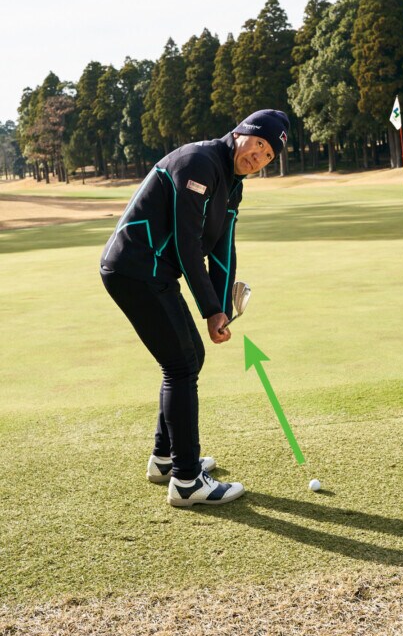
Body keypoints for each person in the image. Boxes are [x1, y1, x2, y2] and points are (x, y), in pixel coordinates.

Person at [100, 109, 289, 508]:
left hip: (154, 273)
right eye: (258, 144)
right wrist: (209, 310)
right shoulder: (199, 162)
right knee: (182, 365)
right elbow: (189, 243)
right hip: (135, 269)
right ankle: (187, 481)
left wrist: (222, 307)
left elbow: (223, 246)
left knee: (189, 358)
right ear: (240, 133)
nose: (259, 157)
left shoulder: (233, 183)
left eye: (268, 155)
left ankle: (165, 459)